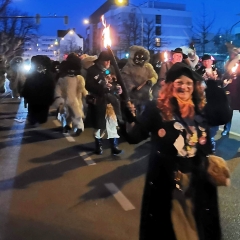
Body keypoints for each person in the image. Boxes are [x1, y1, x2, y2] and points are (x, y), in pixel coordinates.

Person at [126, 62, 232, 240]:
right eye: (179, 83)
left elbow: (223, 115)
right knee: (173, 231)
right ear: (170, 85)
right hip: (166, 184)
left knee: (197, 229)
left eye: (189, 83)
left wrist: (214, 84)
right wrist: (128, 118)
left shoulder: (200, 108)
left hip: (196, 182)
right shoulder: (157, 109)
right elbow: (134, 137)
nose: (184, 87)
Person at [85, 50, 123, 155]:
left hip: (111, 101)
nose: (108, 63)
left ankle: (114, 146)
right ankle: (99, 146)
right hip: (99, 100)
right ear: (100, 61)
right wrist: (102, 87)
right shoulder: (92, 70)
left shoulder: (111, 69)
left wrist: (118, 88)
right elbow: (88, 86)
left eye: (109, 61)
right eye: (106, 61)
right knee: (99, 126)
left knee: (112, 124)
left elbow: (115, 82)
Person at [196, 54, 223, 151]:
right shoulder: (198, 72)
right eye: (204, 61)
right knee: (203, 121)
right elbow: (196, 84)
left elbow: (222, 83)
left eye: (208, 61)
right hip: (203, 99)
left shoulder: (217, 72)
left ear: (211, 62)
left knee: (214, 122)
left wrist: (218, 80)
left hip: (214, 100)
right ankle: (203, 141)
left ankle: (211, 141)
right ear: (202, 62)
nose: (206, 63)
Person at [22, 55, 55, 126]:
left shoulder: (33, 73)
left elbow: (27, 85)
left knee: (34, 109)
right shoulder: (48, 74)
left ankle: (34, 119)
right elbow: (51, 86)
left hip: (34, 96)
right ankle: (38, 119)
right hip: (42, 96)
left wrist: (25, 95)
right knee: (40, 110)